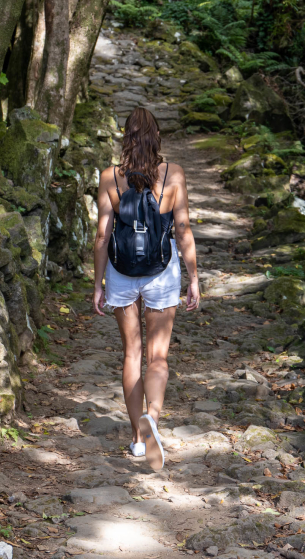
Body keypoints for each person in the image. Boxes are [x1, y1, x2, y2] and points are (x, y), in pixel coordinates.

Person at [92, 107, 200, 471]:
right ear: (157, 139)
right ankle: (152, 416)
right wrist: (194, 278)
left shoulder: (110, 177)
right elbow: (182, 230)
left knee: (130, 354)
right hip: (162, 271)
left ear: (126, 138)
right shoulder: (174, 175)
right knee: (158, 357)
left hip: (122, 272)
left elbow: (102, 235)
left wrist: (98, 283)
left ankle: (138, 440)